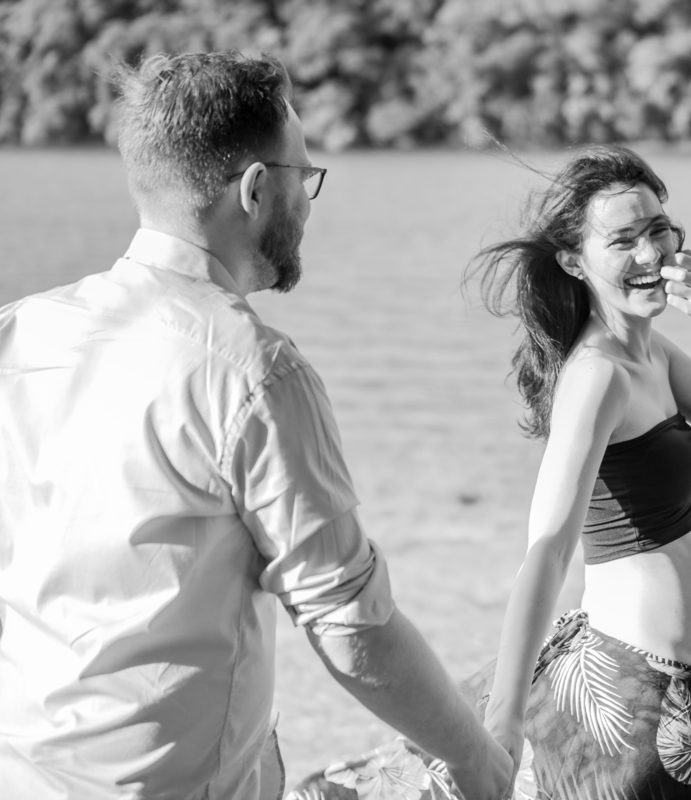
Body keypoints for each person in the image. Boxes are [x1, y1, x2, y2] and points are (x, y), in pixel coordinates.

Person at [0, 52, 511, 800]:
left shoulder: (21, 332)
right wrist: (477, 763)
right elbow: (351, 627)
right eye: (305, 176)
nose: (307, 200)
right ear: (256, 189)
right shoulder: (254, 368)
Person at [291, 146, 691, 800]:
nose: (650, 254)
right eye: (623, 240)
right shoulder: (599, 375)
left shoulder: (651, 355)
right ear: (574, 261)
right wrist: (503, 719)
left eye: (659, 229)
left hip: (666, 689)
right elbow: (549, 548)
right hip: (636, 689)